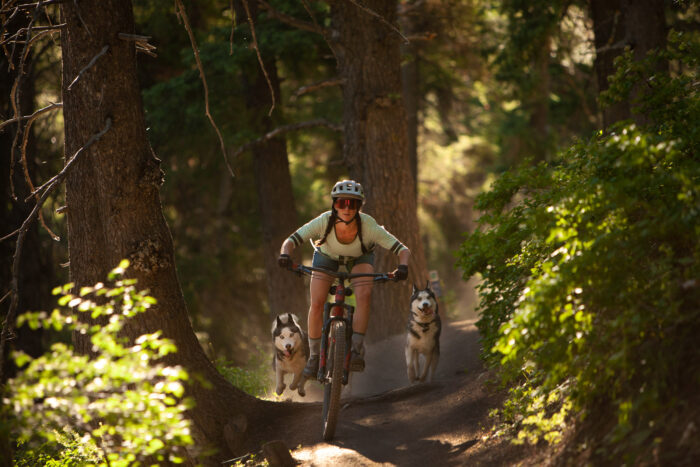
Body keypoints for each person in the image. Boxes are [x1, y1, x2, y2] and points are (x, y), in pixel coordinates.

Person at [278, 179, 410, 377]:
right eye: (341, 203)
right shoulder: (324, 221)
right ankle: (314, 356)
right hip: (326, 257)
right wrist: (285, 255)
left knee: (364, 294)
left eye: (353, 203)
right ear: (334, 204)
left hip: (359, 258)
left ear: (359, 206)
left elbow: (403, 250)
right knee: (317, 303)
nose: (347, 208)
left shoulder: (369, 225)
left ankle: (356, 349)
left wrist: (403, 267)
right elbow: (291, 240)